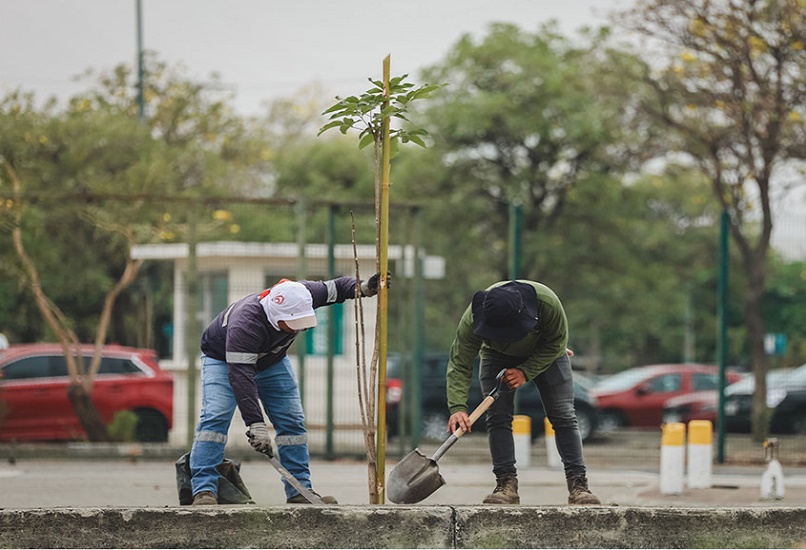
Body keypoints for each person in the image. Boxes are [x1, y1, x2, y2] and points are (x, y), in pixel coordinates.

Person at [190, 273, 386, 506]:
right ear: (276, 315)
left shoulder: (302, 294)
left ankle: (299, 491)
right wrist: (256, 424)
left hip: (271, 361)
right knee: (216, 417)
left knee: (292, 421)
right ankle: (204, 490)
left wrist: (362, 288)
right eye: (293, 324)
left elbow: (337, 286)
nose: (298, 329)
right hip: (224, 360)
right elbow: (241, 377)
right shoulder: (246, 324)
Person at [445, 279, 601, 506]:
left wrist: (525, 371)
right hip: (495, 356)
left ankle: (579, 485)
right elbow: (460, 362)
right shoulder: (472, 318)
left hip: (547, 351)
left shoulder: (548, 304)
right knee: (497, 417)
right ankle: (506, 484)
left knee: (563, 415)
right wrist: (457, 407)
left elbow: (557, 342)